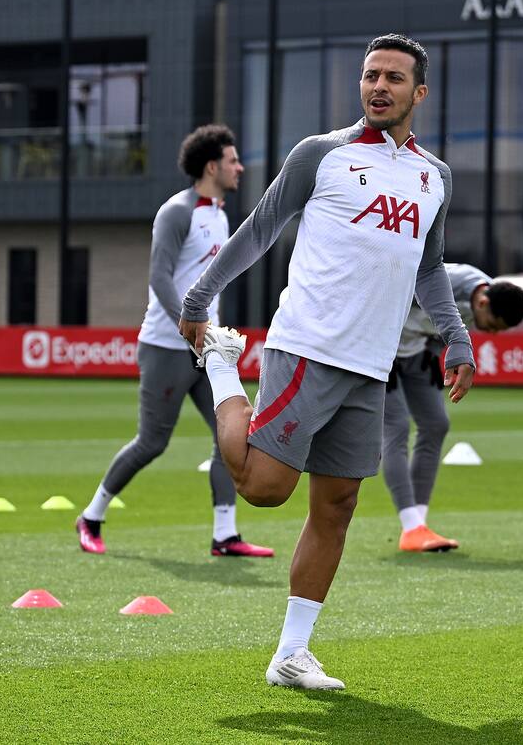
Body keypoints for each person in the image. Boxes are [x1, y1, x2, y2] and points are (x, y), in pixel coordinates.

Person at [179, 34, 474, 692]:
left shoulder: (435, 177)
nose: (378, 87)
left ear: (418, 93)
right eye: (371, 75)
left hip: (374, 366)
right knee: (263, 488)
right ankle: (223, 365)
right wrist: (200, 299)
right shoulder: (322, 154)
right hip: (307, 347)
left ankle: (292, 654)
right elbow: (258, 228)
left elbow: (428, 268)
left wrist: (457, 337)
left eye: (394, 78)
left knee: (336, 504)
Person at [75, 125, 273, 559]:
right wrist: (190, 323)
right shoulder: (176, 212)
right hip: (167, 347)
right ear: (211, 166)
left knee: (232, 434)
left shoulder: (220, 214)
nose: (240, 167)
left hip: (209, 350)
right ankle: (90, 516)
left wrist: (207, 333)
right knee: (152, 442)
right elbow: (159, 277)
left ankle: (225, 535)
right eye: (234, 160)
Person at [383, 265, 523, 551]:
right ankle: (412, 526)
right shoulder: (453, 284)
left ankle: (417, 528)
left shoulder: (488, 296)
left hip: (416, 353)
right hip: (380, 348)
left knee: (436, 424)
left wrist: (435, 352)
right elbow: (385, 293)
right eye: (493, 325)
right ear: (483, 302)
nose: (493, 334)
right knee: (396, 427)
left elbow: (437, 326)